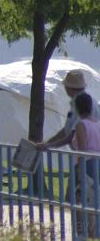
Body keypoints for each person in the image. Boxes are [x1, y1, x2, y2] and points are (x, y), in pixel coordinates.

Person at [37, 69, 99, 151]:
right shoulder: (89, 100)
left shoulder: (79, 104)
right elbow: (67, 130)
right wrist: (47, 144)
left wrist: (49, 145)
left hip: (87, 155)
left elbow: (70, 135)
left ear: (69, 88)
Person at [72, 92, 100, 239]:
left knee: (86, 200)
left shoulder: (81, 125)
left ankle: (91, 233)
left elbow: (82, 149)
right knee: (90, 199)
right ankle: (86, 232)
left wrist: (79, 170)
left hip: (86, 165)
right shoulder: (97, 124)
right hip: (97, 163)